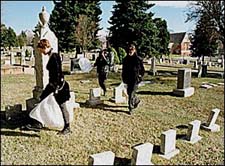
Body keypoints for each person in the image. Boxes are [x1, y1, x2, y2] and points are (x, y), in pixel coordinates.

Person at [24, 39, 71, 135]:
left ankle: (67, 127)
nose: (41, 52)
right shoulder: (52, 55)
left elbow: (58, 73)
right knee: (43, 101)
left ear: (45, 47)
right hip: (53, 85)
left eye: (41, 50)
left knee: (62, 106)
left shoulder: (54, 56)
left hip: (58, 86)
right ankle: (38, 123)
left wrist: (56, 88)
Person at [122, 44, 145, 114]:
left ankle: (130, 108)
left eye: (131, 50)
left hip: (135, 79)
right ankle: (136, 100)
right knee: (129, 93)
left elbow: (142, 70)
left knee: (131, 93)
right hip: (128, 78)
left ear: (134, 50)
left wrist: (140, 76)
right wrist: (123, 78)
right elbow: (124, 70)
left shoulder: (138, 59)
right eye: (129, 50)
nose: (130, 51)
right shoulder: (125, 59)